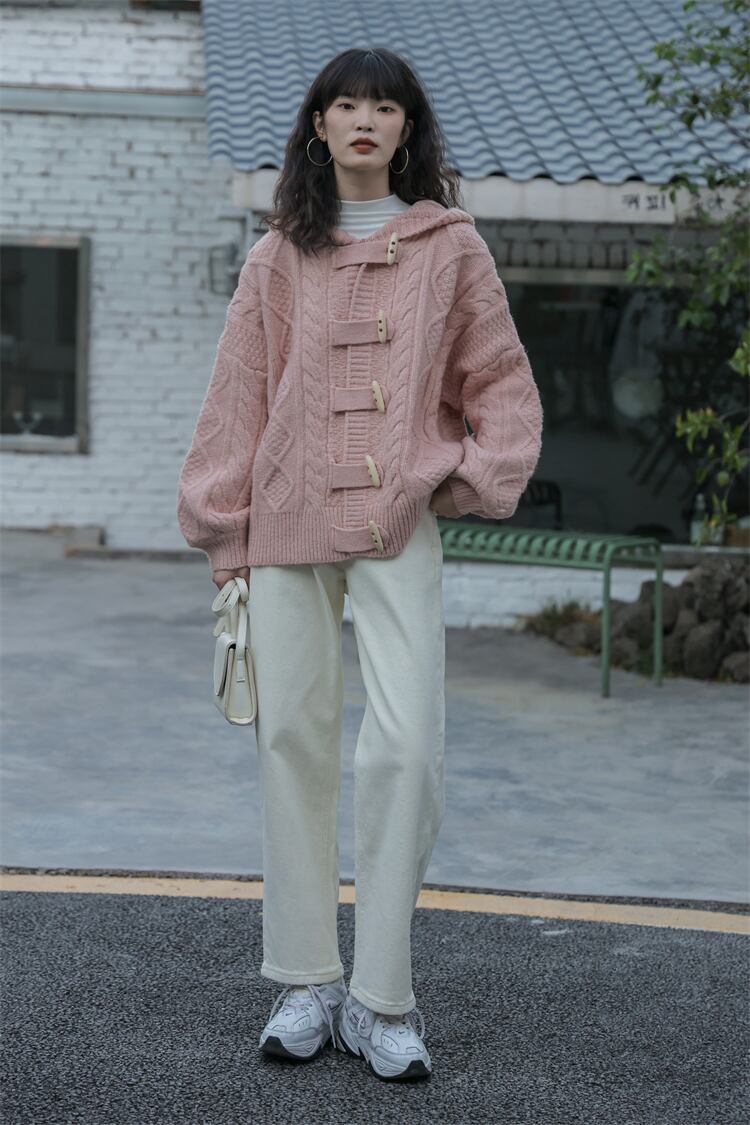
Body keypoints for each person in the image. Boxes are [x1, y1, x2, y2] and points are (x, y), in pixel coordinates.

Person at [176, 46, 543, 1082]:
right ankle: (306, 982)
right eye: (346, 104)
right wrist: (224, 530)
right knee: (291, 743)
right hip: (285, 524)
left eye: (385, 106)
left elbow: (499, 380)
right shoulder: (275, 255)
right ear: (320, 126)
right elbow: (239, 395)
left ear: (407, 129)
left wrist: (463, 478)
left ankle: (384, 998)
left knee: (409, 749)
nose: (366, 120)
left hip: (397, 522)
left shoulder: (452, 247)